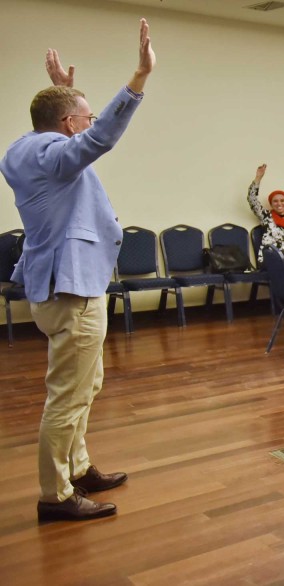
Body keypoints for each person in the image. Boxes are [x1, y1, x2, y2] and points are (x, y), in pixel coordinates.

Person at [0, 19, 154, 522]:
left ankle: (78, 465)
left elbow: (65, 131)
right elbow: (96, 138)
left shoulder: (26, 150)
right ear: (69, 125)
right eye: (82, 118)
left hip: (62, 285)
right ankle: (56, 495)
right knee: (67, 396)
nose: (89, 124)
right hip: (72, 291)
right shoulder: (56, 153)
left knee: (85, 385)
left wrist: (64, 94)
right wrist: (137, 79)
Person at [247, 163, 284, 264]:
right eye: (275, 201)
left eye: (282, 200)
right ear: (271, 204)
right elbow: (252, 199)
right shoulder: (266, 216)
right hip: (271, 258)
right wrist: (258, 178)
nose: (279, 203)